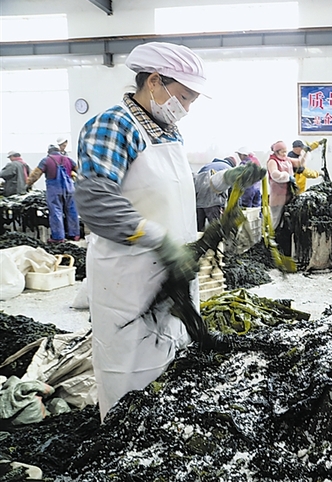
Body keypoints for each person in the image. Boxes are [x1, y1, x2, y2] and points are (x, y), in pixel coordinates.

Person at [74, 41, 263, 420]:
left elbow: (176, 191)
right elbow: (96, 202)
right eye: (184, 96)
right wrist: (158, 239)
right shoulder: (113, 126)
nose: (187, 108)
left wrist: (224, 177)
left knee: (170, 375)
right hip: (129, 282)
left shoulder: (169, 132)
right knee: (131, 381)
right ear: (155, 82)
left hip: (173, 275)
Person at [26, 144, 80, 242]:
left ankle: (58, 237)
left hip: (54, 190)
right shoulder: (68, 159)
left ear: (49, 152)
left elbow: (35, 175)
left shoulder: (46, 160)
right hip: (70, 189)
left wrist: (28, 184)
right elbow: (79, 171)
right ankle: (75, 234)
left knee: (56, 212)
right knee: (72, 211)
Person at [194, 156, 237, 231]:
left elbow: (196, 180)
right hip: (213, 199)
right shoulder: (230, 169)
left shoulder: (207, 166)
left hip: (199, 198)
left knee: (198, 227)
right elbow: (234, 191)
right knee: (215, 228)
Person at [267, 140, 296, 230]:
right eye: (283, 152)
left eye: (285, 151)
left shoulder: (287, 160)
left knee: (286, 223)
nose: (285, 154)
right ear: (277, 152)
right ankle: (270, 240)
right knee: (275, 221)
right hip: (277, 197)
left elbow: (299, 162)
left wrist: (306, 151)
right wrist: (287, 176)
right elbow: (274, 174)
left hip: (288, 196)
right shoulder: (272, 161)